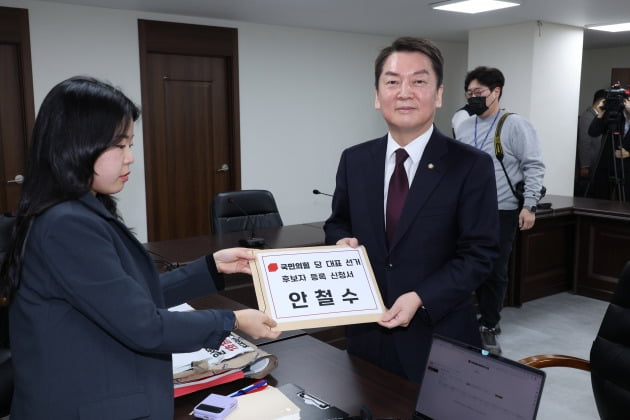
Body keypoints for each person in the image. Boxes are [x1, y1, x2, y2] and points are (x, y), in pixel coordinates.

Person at [0, 76, 280, 419]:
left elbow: (127, 297)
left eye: (130, 144)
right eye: (119, 146)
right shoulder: (66, 224)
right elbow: (144, 325)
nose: (130, 158)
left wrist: (211, 267)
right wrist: (232, 320)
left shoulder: (79, 208)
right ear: (75, 144)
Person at [324, 37, 499, 383]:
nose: (404, 92)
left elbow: (480, 255)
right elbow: (338, 222)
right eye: (392, 82)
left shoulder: (471, 166)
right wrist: (340, 242)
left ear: (438, 95)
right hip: (366, 336)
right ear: (377, 96)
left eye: (419, 81)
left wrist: (422, 297)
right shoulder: (355, 159)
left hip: (439, 336)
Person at [454, 66, 545, 355]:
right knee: (467, 267)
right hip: (468, 211)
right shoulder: (464, 126)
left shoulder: (515, 124)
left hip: (503, 211)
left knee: (494, 271)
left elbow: (533, 166)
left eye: (479, 93)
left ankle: (490, 324)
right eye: (469, 94)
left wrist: (529, 205)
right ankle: (469, 320)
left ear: (496, 92)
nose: (473, 98)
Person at [587, 89, 630, 201]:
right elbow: (593, 132)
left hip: (627, 170)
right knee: (600, 201)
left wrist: (628, 153)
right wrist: (601, 112)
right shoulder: (614, 115)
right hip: (607, 165)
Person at [576, 89, 607, 197]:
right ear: (601, 102)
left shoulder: (598, 117)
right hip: (590, 164)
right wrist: (585, 165)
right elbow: (584, 142)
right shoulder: (587, 117)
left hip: (596, 163)